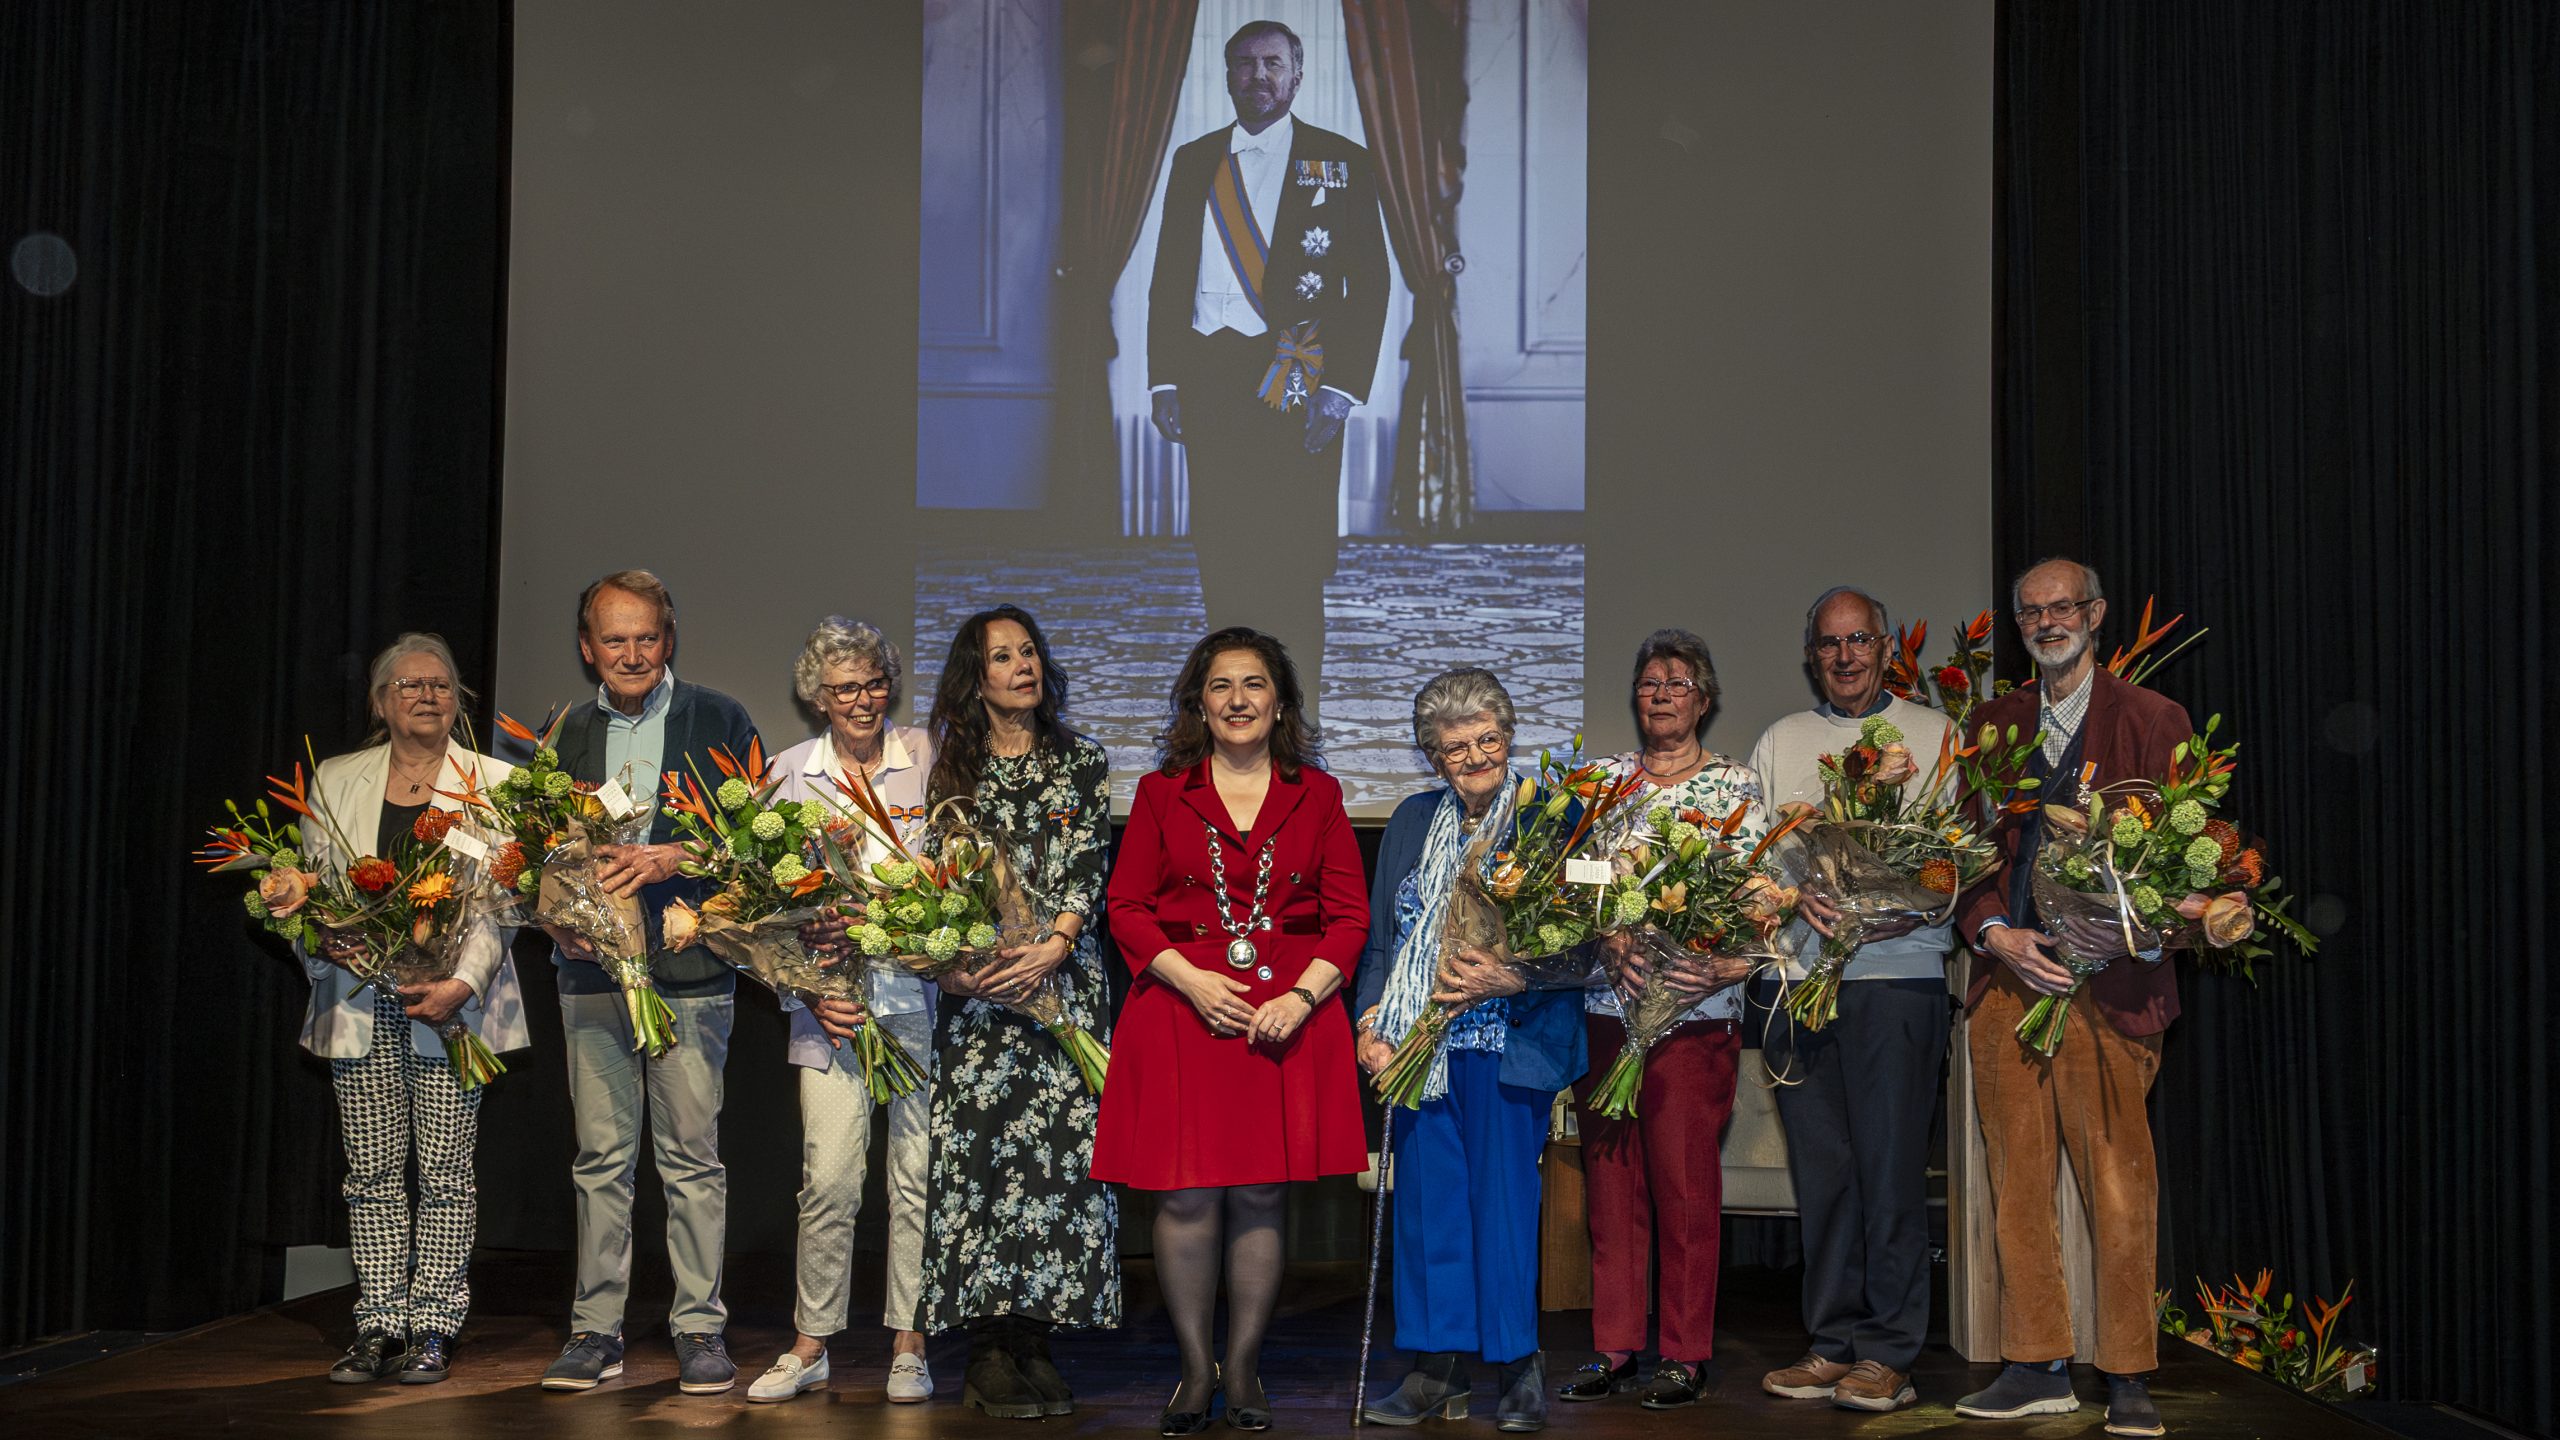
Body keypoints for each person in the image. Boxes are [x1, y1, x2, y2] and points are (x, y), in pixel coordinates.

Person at [1094, 627, 1370, 1434]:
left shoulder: (1316, 794)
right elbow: (1127, 909)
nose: (1239, 699)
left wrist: (1305, 998)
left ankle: (1243, 1368)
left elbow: (1349, 919)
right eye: (1221, 686)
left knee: (1257, 1195)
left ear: (1279, 702)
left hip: (1284, 1022)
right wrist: (1190, 978)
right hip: (1183, 1013)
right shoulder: (1158, 792)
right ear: (1199, 704)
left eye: (1255, 684)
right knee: (1184, 1198)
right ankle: (1191, 1372)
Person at [1952, 558, 2188, 1438]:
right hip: (2010, 984)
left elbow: (2179, 854)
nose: (2048, 622)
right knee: (2017, 1186)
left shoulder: (2153, 719)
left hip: (2110, 989)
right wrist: (1994, 934)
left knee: (2120, 1188)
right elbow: (1962, 858)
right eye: (2032, 612)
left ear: (2095, 614)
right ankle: (2035, 1363)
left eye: (2063, 608)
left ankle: (2128, 1372)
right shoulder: (1991, 724)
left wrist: (2136, 925)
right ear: (2020, 627)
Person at [537, 570, 760, 1397]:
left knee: (692, 1160)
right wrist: (554, 914)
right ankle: (596, 1330)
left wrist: (675, 856)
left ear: (669, 639)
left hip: (691, 973)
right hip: (591, 975)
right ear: (588, 648)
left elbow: (755, 847)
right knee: (601, 1160)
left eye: (646, 637)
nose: (631, 653)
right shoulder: (561, 734)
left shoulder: (720, 719)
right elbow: (539, 857)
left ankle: (700, 1327)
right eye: (613, 639)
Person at [1352, 667, 1588, 1433]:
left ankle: (1520, 1367)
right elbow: (1385, 939)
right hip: (1420, 1045)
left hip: (1506, 1042)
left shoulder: (1553, 816)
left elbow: (1585, 947)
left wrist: (1509, 975)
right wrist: (1370, 1023)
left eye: (1487, 739)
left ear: (1509, 736)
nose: (1475, 756)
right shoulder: (1414, 819)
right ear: (1434, 756)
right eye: (1456, 747)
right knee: (1428, 1212)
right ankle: (1434, 1369)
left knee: (1505, 1208)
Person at [1744, 588, 1955, 1414]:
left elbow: (1953, 869)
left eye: (1859, 640)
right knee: (1824, 1173)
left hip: (1897, 981)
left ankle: (1889, 1352)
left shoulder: (1935, 737)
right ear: (1811, 654)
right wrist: (1792, 901)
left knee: (1891, 1170)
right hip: (1798, 983)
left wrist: (1903, 904)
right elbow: (1748, 865)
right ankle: (1831, 1343)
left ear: (1888, 646)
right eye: (1829, 644)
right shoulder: (1782, 742)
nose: (1844, 657)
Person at [1146, 18, 1391, 716]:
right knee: (1221, 545)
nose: (1259, 77)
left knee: (1292, 548)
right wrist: (1164, 377)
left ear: (1297, 75)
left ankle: (1296, 702)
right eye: (1245, 65)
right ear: (1227, 77)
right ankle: (1229, 701)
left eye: (1272, 64)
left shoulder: (1341, 159)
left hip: (1299, 378)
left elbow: (1368, 283)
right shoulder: (1195, 159)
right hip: (1209, 374)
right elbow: (1169, 276)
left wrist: (1342, 389)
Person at [299, 634, 526, 1385]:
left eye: (439, 685)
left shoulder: (491, 782)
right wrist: (321, 941)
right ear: (381, 703)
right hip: (362, 1001)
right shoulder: (334, 781)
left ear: (458, 699)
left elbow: (503, 907)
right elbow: (305, 899)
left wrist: (461, 985)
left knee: (445, 1172)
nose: (426, 696)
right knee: (369, 1173)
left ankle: (433, 1322)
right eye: (408, 686)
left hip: (449, 1007)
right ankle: (377, 1324)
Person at [913, 604, 1120, 1419]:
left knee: (1060, 1170)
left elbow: (1085, 869)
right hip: (981, 1002)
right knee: (986, 1170)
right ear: (977, 677)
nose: (1022, 666)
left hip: (1063, 990)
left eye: (1029, 651)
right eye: (1003, 657)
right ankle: (987, 1352)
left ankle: (1037, 1341)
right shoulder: (951, 770)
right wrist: (963, 970)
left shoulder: (1082, 760)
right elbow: (938, 883)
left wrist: (1056, 946)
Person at [1561, 630, 1765, 1411]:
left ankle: (1682, 1353)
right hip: (1606, 1012)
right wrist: (1606, 928)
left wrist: (1723, 957)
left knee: (1683, 1189)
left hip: (1690, 1013)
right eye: (1649, 682)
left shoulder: (1736, 787)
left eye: (1678, 682)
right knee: (1611, 1193)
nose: (1661, 693)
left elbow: (1757, 900)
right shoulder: (1600, 782)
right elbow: (1570, 873)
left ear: (1704, 700)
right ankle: (1614, 1347)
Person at [745, 618, 937, 1405]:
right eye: (844, 689)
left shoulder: (926, 757)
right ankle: (812, 1342)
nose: (862, 701)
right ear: (817, 698)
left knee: (916, 1176)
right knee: (827, 1179)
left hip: (915, 1001)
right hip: (827, 1011)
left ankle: (910, 1343)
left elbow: (961, 874)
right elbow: (753, 914)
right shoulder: (791, 772)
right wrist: (804, 991)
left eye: (873, 683)